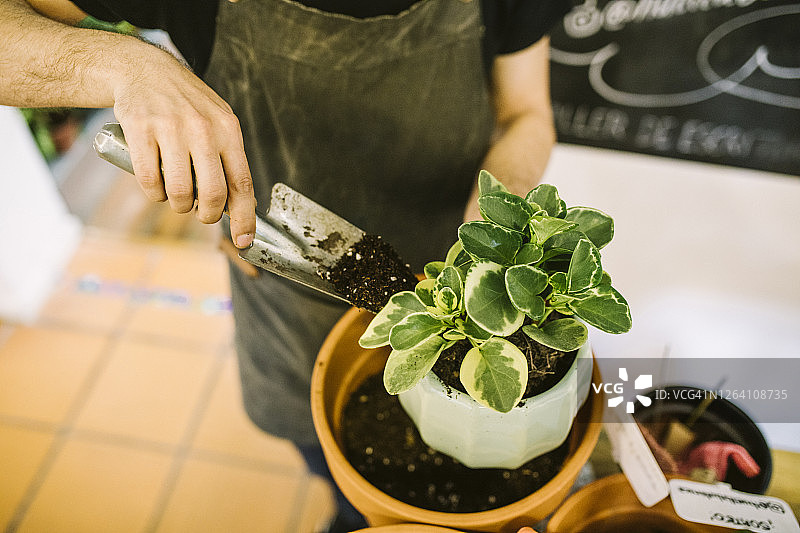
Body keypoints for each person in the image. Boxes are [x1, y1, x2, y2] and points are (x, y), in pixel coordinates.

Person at [1, 0, 569, 530]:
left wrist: (492, 226)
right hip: (290, 299)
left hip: (458, 280)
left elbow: (527, 115)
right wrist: (125, 65)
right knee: (342, 479)